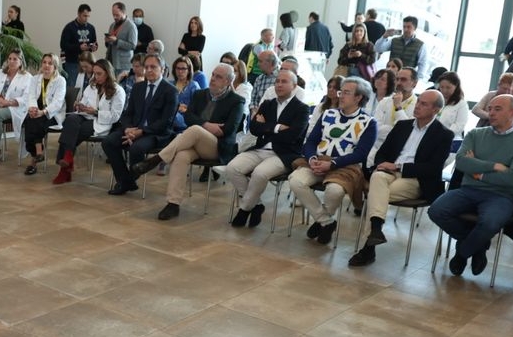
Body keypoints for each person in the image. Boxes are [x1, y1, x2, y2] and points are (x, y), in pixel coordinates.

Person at [428, 94, 513, 277]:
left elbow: (512, 178)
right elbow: (461, 162)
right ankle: (478, 245)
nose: (491, 113)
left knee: (490, 223)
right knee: (436, 211)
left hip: (501, 196)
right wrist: (494, 166)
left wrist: (478, 172)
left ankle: (463, 252)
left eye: (497, 109)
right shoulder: (475, 134)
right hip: (468, 190)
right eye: (490, 108)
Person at [349, 90, 453, 267]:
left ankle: (369, 246)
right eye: (418, 101)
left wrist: (398, 166)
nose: (417, 106)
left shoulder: (443, 134)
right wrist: (383, 165)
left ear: (436, 110)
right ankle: (375, 232)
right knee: (378, 178)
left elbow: (432, 168)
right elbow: (382, 154)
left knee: (376, 195)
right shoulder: (402, 126)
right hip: (387, 173)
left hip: (416, 179)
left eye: (424, 104)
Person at [131, 63, 245, 220]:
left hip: (217, 147)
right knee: (181, 156)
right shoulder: (200, 94)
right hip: (195, 142)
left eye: (218, 77)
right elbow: (188, 117)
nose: (213, 79)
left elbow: (229, 129)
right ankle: (173, 204)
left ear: (228, 81)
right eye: (213, 74)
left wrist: (201, 125)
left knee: (195, 130)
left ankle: (156, 160)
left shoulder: (237, 101)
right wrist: (207, 125)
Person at [288, 76, 377, 244]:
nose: (340, 96)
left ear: (358, 97)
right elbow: (311, 141)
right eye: (340, 92)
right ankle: (326, 221)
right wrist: (312, 158)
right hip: (318, 161)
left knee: (334, 191)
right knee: (296, 181)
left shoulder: (368, 122)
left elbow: (361, 154)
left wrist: (333, 164)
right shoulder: (328, 114)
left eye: (346, 93)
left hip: (345, 166)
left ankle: (320, 221)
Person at [223, 69, 311, 228]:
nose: (279, 84)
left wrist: (266, 127)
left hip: (283, 154)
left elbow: (293, 136)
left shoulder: (302, 109)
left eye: (284, 81)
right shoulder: (267, 104)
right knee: (232, 168)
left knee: (259, 173)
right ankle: (256, 205)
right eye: (277, 81)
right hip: (260, 148)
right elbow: (254, 128)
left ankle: (244, 209)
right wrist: (277, 127)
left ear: (294, 86)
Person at [102, 54, 178, 196]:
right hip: (133, 129)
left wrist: (141, 131)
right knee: (108, 142)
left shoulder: (170, 91)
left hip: (155, 133)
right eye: (146, 67)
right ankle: (127, 181)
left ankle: (126, 182)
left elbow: (165, 122)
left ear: (162, 69)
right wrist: (128, 129)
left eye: (153, 67)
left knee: (136, 148)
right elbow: (127, 114)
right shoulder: (138, 87)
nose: (148, 70)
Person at [51, 58, 126, 184]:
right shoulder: (92, 86)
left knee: (74, 131)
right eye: (94, 73)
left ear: (108, 73)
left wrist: (96, 112)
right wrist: (79, 105)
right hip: (85, 116)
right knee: (71, 119)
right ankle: (68, 158)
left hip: (101, 122)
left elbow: (115, 116)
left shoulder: (118, 91)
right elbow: (84, 102)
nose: (96, 77)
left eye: (99, 74)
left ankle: (65, 168)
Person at [21, 54, 66, 175]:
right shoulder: (35, 79)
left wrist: (44, 112)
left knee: (37, 121)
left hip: (53, 114)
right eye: (44, 62)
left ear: (55, 66)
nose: (46, 65)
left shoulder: (60, 81)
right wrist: (33, 108)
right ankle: (38, 153)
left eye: (50, 63)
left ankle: (34, 160)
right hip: (37, 111)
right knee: (29, 120)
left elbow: (57, 102)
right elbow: (31, 96)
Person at [59, 3, 98, 88]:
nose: (86, 18)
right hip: (72, 62)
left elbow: (94, 42)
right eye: (84, 16)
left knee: (87, 85)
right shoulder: (69, 27)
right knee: (72, 85)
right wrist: (78, 47)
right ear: (79, 14)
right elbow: (63, 45)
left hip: (87, 62)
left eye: (88, 16)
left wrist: (94, 47)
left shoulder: (91, 28)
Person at [169, 56, 200, 133]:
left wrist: (186, 109)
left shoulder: (194, 86)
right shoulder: (170, 84)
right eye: (178, 68)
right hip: (169, 116)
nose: (180, 71)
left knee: (173, 114)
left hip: (185, 118)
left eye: (183, 69)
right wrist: (177, 107)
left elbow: (198, 108)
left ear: (188, 70)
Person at [105, 2, 137, 75]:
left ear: (124, 12)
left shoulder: (131, 26)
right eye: (113, 15)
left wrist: (117, 41)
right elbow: (110, 44)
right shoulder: (112, 25)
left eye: (117, 15)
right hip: (110, 62)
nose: (115, 17)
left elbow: (133, 46)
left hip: (123, 65)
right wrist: (107, 41)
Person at [435, 71, 470, 138]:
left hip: (451, 137)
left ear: (456, 87)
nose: (444, 90)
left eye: (448, 87)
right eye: (442, 87)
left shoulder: (461, 104)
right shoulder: (436, 99)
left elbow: (459, 125)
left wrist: (443, 134)